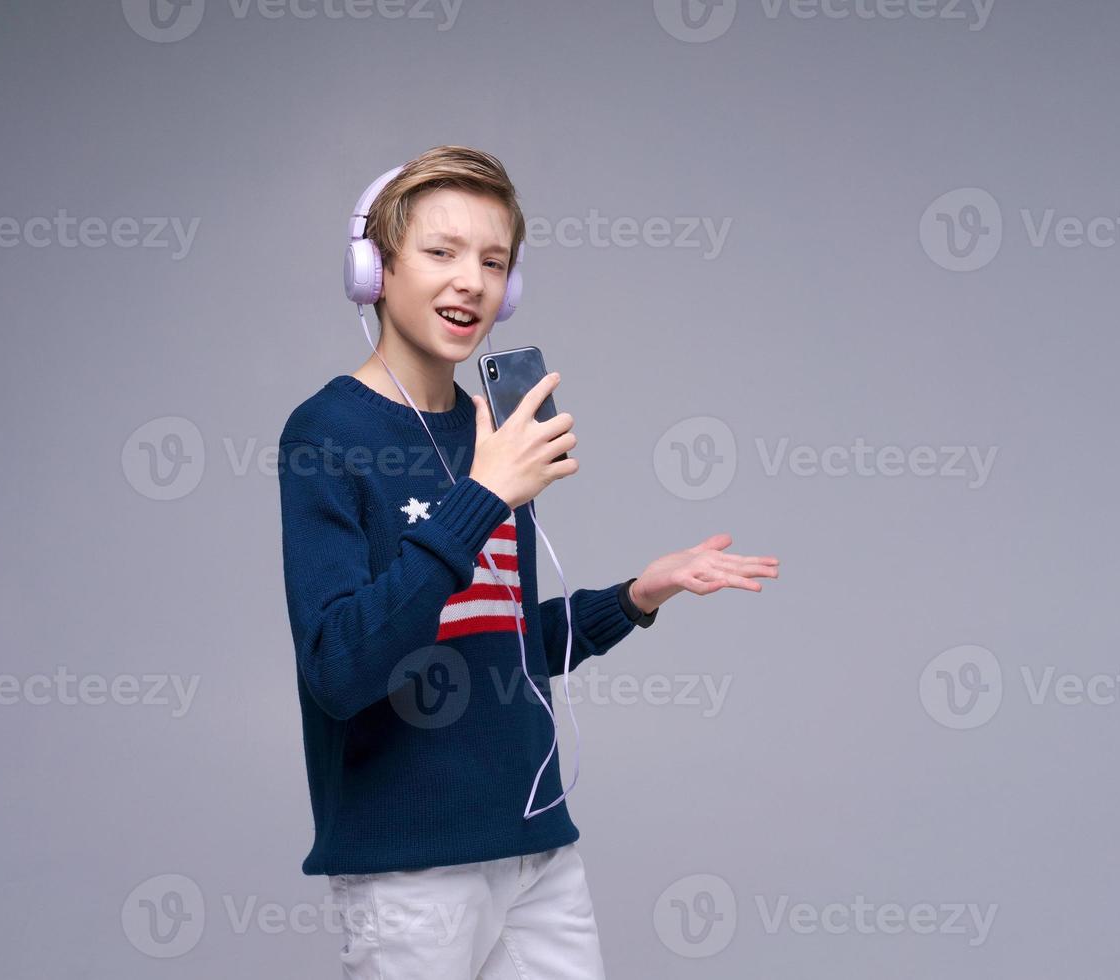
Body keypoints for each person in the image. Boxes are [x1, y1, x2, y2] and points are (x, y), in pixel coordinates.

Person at [276, 144, 780, 979]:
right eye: (441, 252)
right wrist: (482, 494)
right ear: (374, 269)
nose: (471, 280)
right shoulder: (329, 434)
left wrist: (635, 596)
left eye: (494, 260)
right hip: (412, 869)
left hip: (537, 848)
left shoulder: (498, 436)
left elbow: (496, 646)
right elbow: (340, 667)